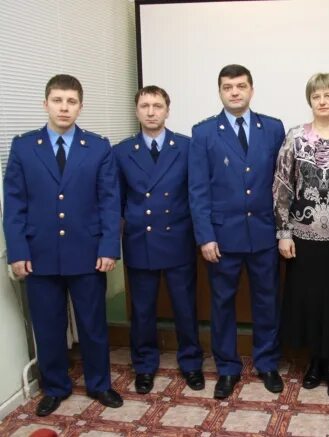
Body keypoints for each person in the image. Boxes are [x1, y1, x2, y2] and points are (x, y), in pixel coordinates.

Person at [2, 74, 123, 416]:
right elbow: (14, 205)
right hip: (39, 256)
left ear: (80, 107)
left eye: (71, 101)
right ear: (46, 104)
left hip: (88, 254)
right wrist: (19, 251)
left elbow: (108, 202)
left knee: (93, 324)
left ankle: (100, 384)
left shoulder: (98, 147)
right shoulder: (24, 146)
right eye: (58, 100)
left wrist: (108, 248)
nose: (64, 107)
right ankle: (55, 386)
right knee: (48, 325)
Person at [189, 64, 285, 399]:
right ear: (219, 91)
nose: (234, 92)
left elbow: (281, 184)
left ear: (251, 89)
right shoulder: (203, 133)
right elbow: (198, 189)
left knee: (267, 302)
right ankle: (227, 368)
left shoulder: (273, 129)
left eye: (241, 86)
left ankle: (268, 363)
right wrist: (205, 236)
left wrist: (283, 230)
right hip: (222, 237)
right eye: (228, 87)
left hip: (263, 233)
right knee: (222, 305)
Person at [273, 72, 329, 401]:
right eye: (316, 96)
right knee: (309, 301)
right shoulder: (295, 136)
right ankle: (315, 362)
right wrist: (283, 232)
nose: (322, 101)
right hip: (303, 237)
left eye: (328, 95)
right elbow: (282, 185)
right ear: (310, 101)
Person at [113, 86, 204, 395]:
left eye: (157, 106)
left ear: (168, 110)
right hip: (140, 240)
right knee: (142, 310)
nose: (151, 111)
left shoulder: (188, 147)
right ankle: (144, 366)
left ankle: (191, 363)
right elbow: (115, 203)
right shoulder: (122, 151)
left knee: (185, 308)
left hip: (178, 238)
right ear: (137, 110)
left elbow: (197, 195)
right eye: (144, 106)